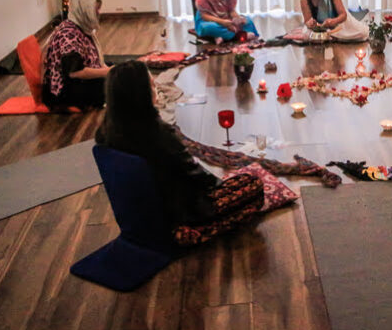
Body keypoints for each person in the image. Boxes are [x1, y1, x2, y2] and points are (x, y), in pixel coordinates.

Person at [95, 60, 265, 246]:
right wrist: (219, 184)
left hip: (140, 215)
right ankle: (190, 232)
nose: (157, 89)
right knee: (252, 183)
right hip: (180, 212)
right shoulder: (159, 134)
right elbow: (196, 175)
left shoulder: (106, 132)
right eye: (152, 85)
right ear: (141, 94)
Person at [42, 0, 110, 109]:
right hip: (63, 91)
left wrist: (108, 70)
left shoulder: (80, 26)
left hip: (73, 80)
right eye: (96, 9)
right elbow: (75, 72)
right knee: (110, 84)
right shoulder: (69, 35)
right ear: (83, 9)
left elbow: (95, 61)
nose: (99, 13)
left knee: (114, 70)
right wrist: (107, 72)